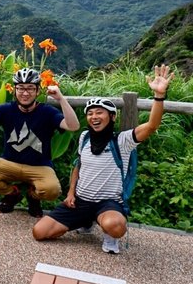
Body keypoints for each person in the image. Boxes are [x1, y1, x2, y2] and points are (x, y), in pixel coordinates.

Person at [32, 65, 174, 254]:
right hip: (80, 201)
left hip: (107, 203)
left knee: (115, 225)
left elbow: (152, 126)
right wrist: (71, 193)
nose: (94, 116)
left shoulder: (122, 141)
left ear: (112, 117)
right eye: (90, 113)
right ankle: (86, 220)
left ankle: (108, 233)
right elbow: (78, 165)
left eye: (100, 112)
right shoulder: (85, 138)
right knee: (39, 232)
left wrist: (159, 95)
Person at [0, 68, 80, 217]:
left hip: (39, 165)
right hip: (9, 162)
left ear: (37, 91)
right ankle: (12, 194)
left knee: (52, 190)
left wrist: (61, 99)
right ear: (15, 90)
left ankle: (33, 197)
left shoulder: (47, 112)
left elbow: (73, 126)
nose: (25, 93)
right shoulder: (6, 110)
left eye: (30, 88)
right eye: (20, 88)